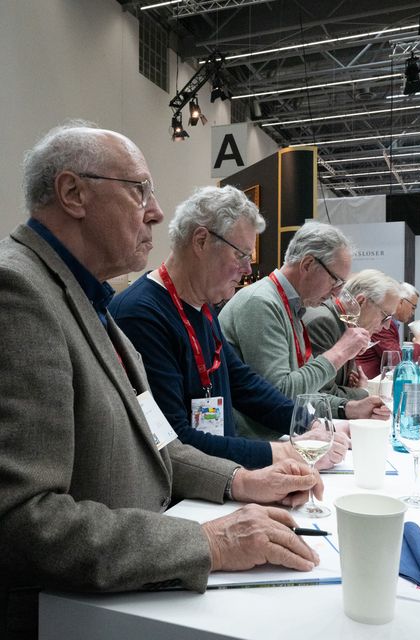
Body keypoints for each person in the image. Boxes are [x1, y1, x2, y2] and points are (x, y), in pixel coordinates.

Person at [0, 122, 324, 640]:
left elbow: (156, 440)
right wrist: (207, 543)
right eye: (139, 191)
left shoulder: (90, 299)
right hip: (66, 619)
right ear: (73, 193)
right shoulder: (18, 292)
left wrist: (239, 480)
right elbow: (22, 520)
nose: (155, 211)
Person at [110, 186, 349, 469]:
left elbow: (243, 382)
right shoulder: (141, 315)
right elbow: (174, 441)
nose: (248, 269)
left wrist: (312, 422)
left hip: (220, 474)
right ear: (201, 241)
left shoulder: (202, 306)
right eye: (241, 255)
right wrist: (287, 453)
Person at [219, 221, 390, 441]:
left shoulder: (292, 307)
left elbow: (304, 395)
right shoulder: (260, 303)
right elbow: (280, 396)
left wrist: (348, 408)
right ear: (308, 264)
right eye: (335, 280)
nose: (337, 292)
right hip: (256, 443)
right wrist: (339, 352)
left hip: (276, 437)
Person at [303, 269, 401, 393]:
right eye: (385, 316)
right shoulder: (324, 323)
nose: (387, 326)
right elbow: (322, 394)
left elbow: (347, 384)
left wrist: (355, 387)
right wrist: (362, 392)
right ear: (361, 302)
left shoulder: (348, 324)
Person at [356, 282, 420, 378]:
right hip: (367, 380)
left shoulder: (390, 322)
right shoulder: (381, 322)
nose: (413, 313)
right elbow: (395, 361)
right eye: (413, 307)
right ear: (401, 301)